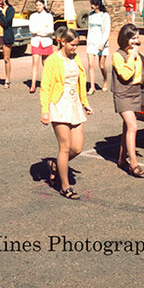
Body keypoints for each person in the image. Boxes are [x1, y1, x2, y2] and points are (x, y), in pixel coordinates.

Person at [40, 28, 93, 199]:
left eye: (77, 45)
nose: (75, 48)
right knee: (65, 147)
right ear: (62, 42)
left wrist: (85, 103)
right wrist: (45, 111)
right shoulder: (52, 61)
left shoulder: (75, 58)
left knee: (76, 148)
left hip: (75, 104)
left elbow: (80, 82)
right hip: (59, 104)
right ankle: (65, 186)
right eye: (72, 44)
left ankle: (55, 166)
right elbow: (46, 87)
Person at [111, 24, 144, 177]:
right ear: (125, 39)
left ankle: (121, 159)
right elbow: (125, 74)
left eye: (137, 38)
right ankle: (133, 163)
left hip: (135, 93)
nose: (136, 41)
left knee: (127, 128)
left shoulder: (139, 56)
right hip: (123, 94)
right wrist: (131, 56)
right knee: (133, 126)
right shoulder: (118, 55)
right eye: (133, 38)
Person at [27, 0, 55, 93]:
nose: (38, 7)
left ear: (43, 5)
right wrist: (41, 30)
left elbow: (50, 30)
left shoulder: (48, 16)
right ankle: (33, 85)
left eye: (40, 5)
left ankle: (49, 84)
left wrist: (40, 31)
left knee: (46, 64)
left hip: (46, 42)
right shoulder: (33, 16)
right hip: (36, 42)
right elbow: (32, 29)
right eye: (37, 5)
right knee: (35, 63)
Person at [86, 0, 111, 94]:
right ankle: (92, 87)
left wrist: (102, 43)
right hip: (91, 42)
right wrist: (88, 42)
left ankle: (105, 81)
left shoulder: (105, 15)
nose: (91, 6)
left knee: (101, 65)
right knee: (91, 65)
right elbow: (89, 29)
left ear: (98, 5)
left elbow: (106, 30)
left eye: (93, 4)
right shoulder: (90, 15)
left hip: (101, 43)